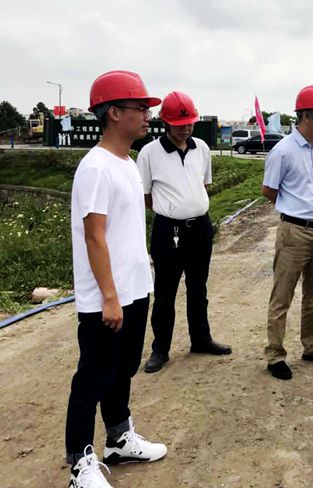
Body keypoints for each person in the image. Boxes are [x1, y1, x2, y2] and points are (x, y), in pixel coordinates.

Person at [65, 70, 167, 488]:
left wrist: (138, 282)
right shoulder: (95, 167)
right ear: (113, 113)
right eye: (140, 108)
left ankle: (119, 438)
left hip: (135, 288)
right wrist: (109, 296)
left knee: (122, 370)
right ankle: (80, 465)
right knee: (92, 378)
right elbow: (94, 236)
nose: (147, 116)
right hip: (107, 297)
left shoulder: (127, 163)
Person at [138, 91, 231, 374]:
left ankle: (201, 339)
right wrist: (171, 211)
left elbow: (204, 184)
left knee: (198, 287)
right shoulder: (149, 153)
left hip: (200, 228)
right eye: (180, 125)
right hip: (169, 230)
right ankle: (160, 348)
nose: (186, 129)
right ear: (166, 122)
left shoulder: (201, 148)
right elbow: (145, 195)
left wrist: (191, 207)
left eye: (189, 123)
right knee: (165, 292)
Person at [261, 85, 313, 380]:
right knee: (282, 295)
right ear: (307, 115)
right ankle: (275, 355)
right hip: (294, 231)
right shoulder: (283, 150)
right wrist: (293, 209)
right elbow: (269, 190)